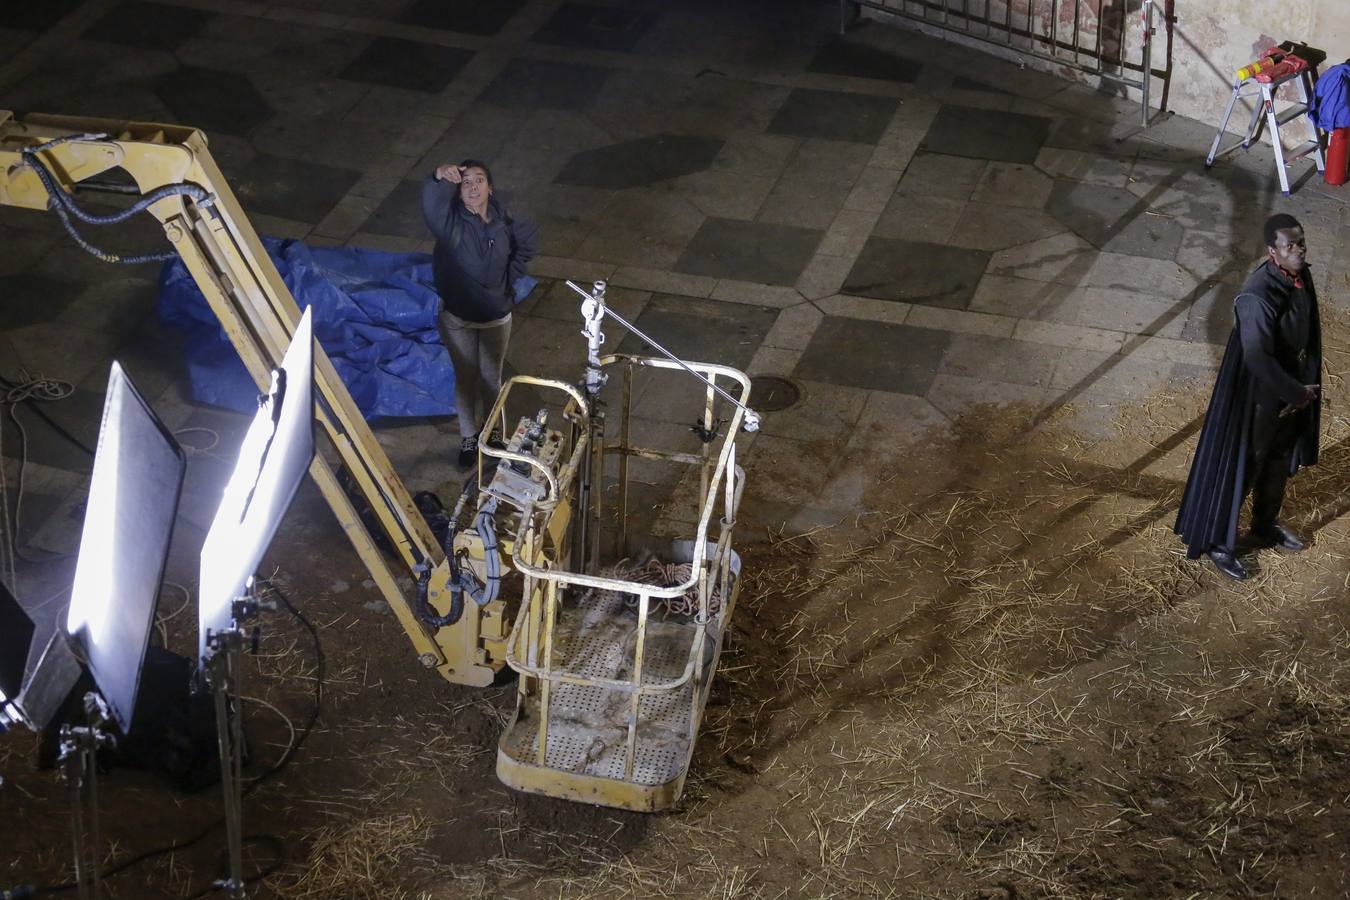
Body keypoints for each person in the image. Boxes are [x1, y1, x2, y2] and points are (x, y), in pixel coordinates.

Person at [1175, 213, 1321, 580]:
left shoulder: (1300, 276)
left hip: (1291, 396)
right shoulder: (1257, 295)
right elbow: (1258, 357)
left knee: (1277, 462)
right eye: (1290, 246)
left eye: (1300, 242)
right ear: (1273, 251)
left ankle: (1264, 526)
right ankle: (1219, 543)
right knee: (1245, 468)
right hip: (1260, 401)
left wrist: (1303, 388)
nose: (1298, 250)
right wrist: (1296, 392)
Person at [422, 159, 538, 467]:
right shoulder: (450, 225)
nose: (473, 187)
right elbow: (432, 206)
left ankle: (494, 434)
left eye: (479, 180)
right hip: (458, 318)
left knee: (492, 377)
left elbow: (524, 247)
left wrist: (506, 286)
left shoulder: (505, 221)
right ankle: (469, 437)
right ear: (458, 192)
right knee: (466, 377)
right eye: (466, 183)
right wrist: (436, 178)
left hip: (496, 317)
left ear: (490, 187)